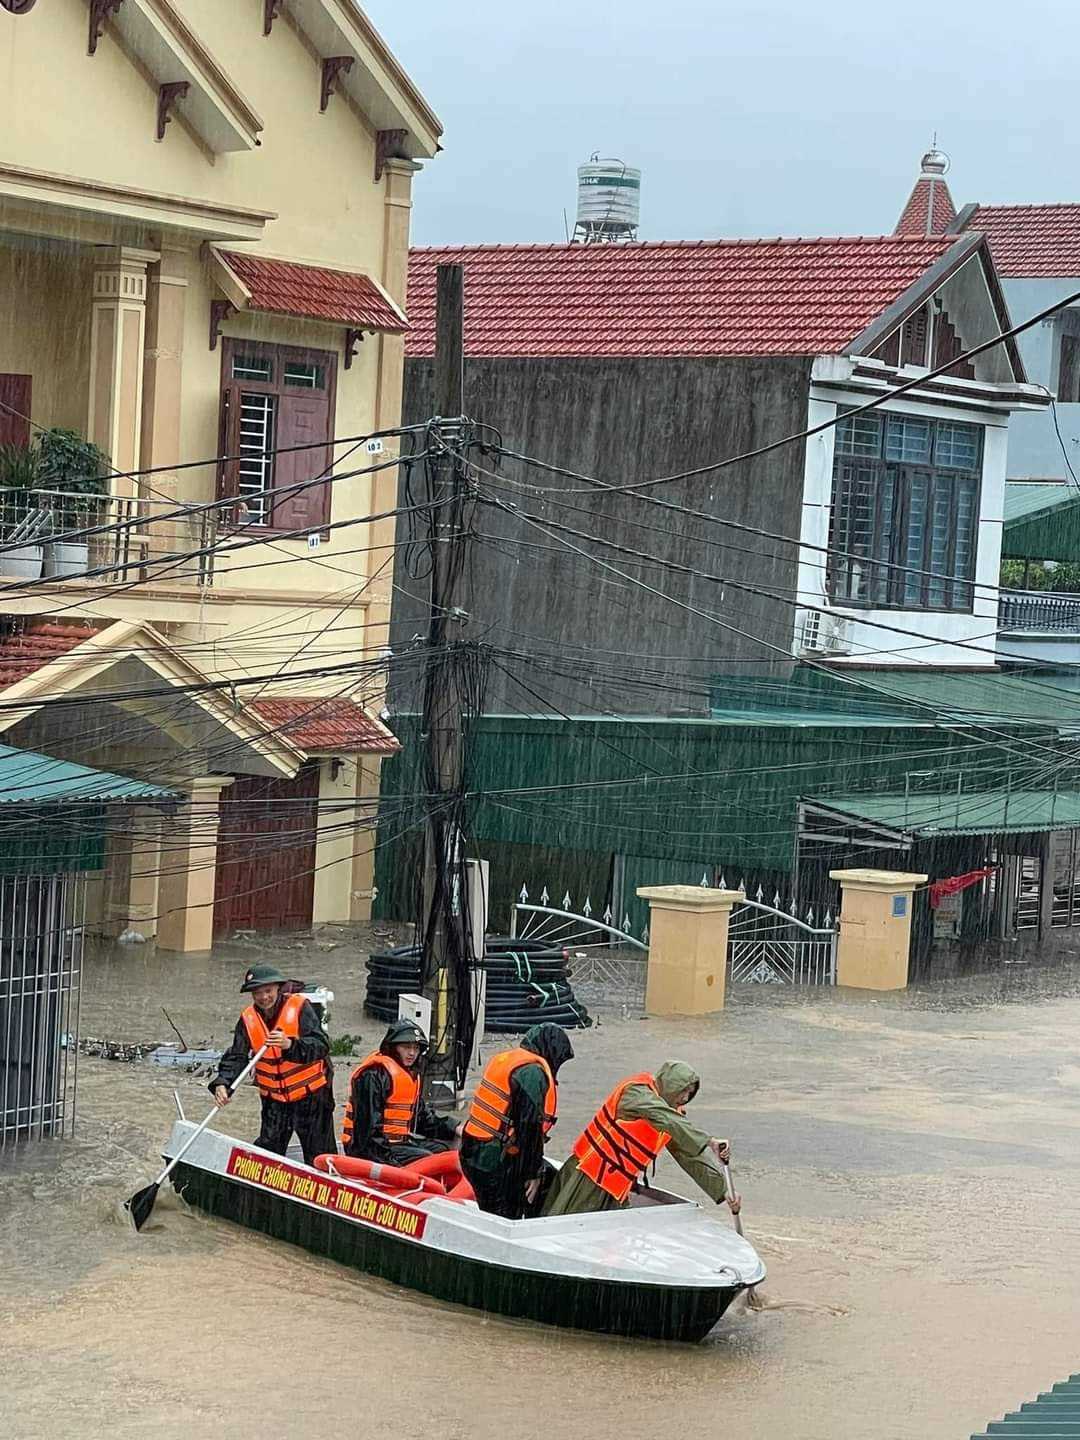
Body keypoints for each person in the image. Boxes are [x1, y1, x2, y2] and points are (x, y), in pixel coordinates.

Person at [543, 1061, 742, 1217]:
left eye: (689, 1094)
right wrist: (709, 1141)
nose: (684, 1098)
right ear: (670, 1084)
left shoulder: (674, 1116)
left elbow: (690, 1157)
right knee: (563, 1226)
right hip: (587, 1177)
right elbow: (662, 1116)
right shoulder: (638, 1092)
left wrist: (724, 1191)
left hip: (617, 1187)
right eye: (682, 1091)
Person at [209, 963, 335, 1166]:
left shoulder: (300, 1007)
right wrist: (223, 1083)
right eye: (257, 993)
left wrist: (290, 1045)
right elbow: (237, 1056)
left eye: (268, 991)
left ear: (278, 988)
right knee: (267, 1154)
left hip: (312, 1098)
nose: (263, 997)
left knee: (320, 1156)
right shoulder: (247, 1019)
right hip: (275, 1102)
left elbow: (321, 1045)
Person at [460, 1022, 574, 1220]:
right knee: (504, 1215)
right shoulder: (532, 1073)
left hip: (473, 1152)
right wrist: (533, 1174)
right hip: (494, 1161)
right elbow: (529, 1128)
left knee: (546, 1179)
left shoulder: (507, 1059)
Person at [341, 1020, 461, 1164]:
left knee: (444, 1151)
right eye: (406, 1047)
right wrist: (391, 1162)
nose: (412, 1053)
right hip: (368, 1149)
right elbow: (368, 1132)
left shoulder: (410, 1077)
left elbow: (423, 1120)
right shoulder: (373, 1075)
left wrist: (455, 1127)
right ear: (393, 1048)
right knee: (428, 1160)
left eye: (416, 1048)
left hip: (398, 1144)